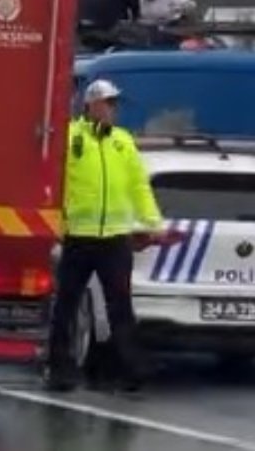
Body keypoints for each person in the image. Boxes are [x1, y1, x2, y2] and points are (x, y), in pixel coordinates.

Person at [46, 79, 162, 393]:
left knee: (120, 305)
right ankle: (59, 367)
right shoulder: (71, 137)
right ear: (91, 105)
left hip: (114, 239)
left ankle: (129, 370)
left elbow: (138, 185)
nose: (113, 109)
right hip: (79, 236)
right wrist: (56, 223)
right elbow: (55, 182)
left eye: (115, 104)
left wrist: (153, 222)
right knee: (67, 305)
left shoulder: (122, 141)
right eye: (108, 103)